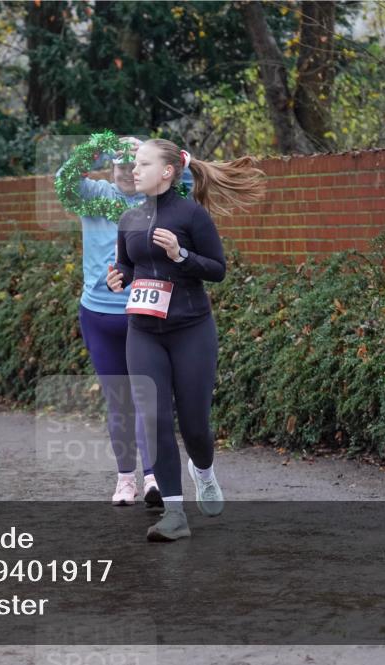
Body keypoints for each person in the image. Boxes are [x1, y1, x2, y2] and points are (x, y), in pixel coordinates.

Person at [106, 139, 264, 541]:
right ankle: (174, 515)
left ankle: (204, 471)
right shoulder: (128, 218)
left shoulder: (192, 215)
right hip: (143, 331)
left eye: (142, 164)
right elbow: (127, 265)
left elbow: (218, 269)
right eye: (132, 164)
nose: (133, 171)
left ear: (167, 172)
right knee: (155, 419)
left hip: (191, 329)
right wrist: (118, 278)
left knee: (195, 426)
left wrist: (180, 256)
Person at [56, 134, 192, 508]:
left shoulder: (158, 200)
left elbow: (186, 177)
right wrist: (96, 146)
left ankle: (153, 477)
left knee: (147, 397)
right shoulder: (94, 194)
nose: (125, 171)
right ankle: (124, 480)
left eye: (132, 163)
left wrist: (163, 153)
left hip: (143, 313)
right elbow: (63, 177)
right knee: (118, 400)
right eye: (117, 164)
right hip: (98, 313)